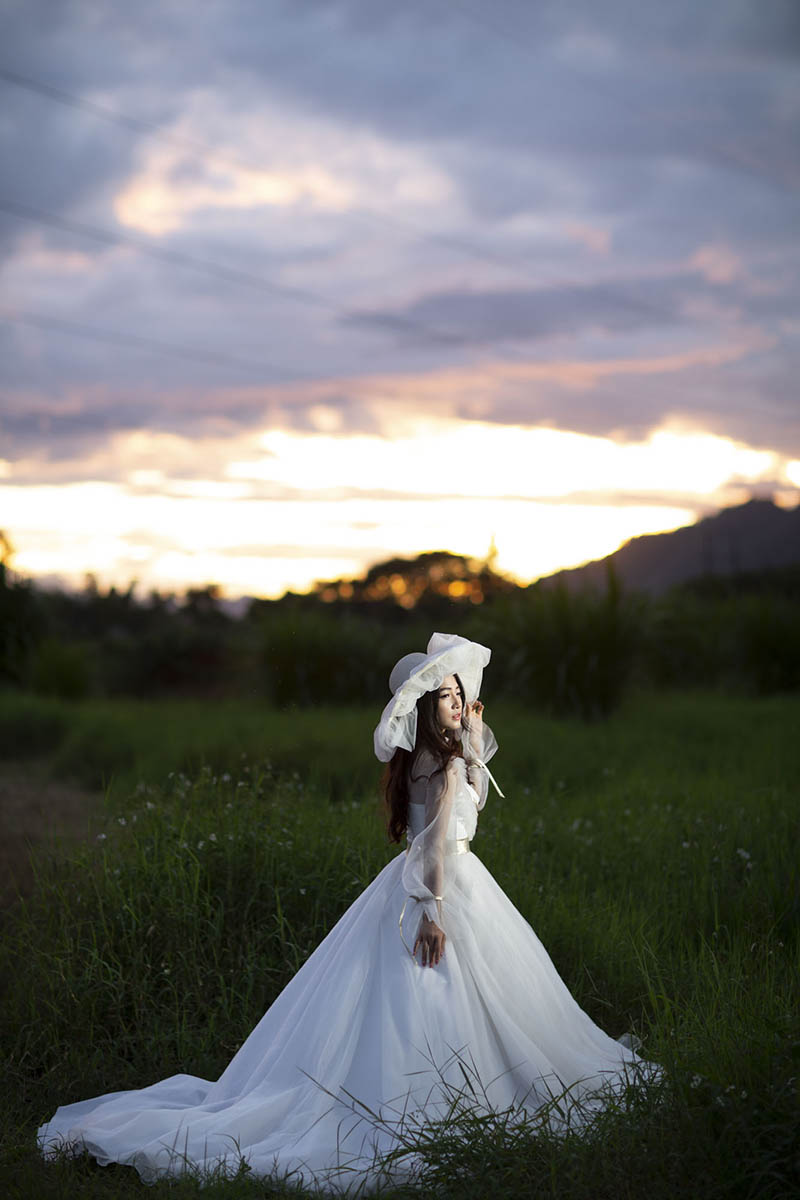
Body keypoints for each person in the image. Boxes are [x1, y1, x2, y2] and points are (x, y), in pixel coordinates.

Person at [38, 632, 660, 1192]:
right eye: (443, 697)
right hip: (442, 886)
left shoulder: (423, 762)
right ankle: (437, 1100)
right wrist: (432, 910)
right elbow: (441, 846)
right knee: (440, 996)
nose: (455, 702)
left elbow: (459, 808)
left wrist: (471, 744)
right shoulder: (439, 767)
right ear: (422, 709)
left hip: (414, 881)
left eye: (457, 693)